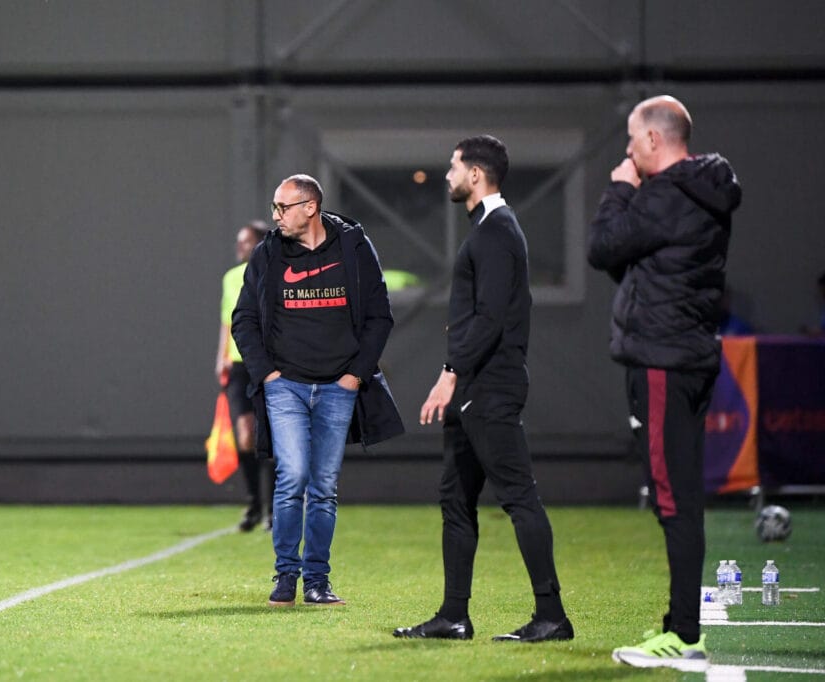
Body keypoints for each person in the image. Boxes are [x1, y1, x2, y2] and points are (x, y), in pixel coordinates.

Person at [393, 136, 573, 643]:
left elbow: (490, 318)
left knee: (519, 497)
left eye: (454, 167)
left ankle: (552, 616)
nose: (447, 175)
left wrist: (449, 373)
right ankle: (454, 616)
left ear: (475, 174)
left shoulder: (497, 230)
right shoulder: (488, 229)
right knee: (455, 499)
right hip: (475, 388)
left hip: (488, 388)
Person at [587, 95, 741, 671]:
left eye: (632, 140)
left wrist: (619, 189)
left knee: (674, 500)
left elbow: (602, 247)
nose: (628, 152)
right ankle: (681, 625)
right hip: (689, 356)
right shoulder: (704, 191)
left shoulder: (665, 192)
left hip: (662, 359)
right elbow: (630, 261)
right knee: (682, 496)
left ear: (653, 139)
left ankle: (683, 634)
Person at [231, 173, 403, 607]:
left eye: (282, 207)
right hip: (284, 386)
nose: (276, 216)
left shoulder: (354, 248)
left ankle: (317, 581)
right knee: (292, 477)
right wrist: (267, 374)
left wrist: (355, 376)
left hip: (338, 387)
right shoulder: (268, 252)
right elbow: (243, 318)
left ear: (310, 207)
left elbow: (379, 316)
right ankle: (286, 575)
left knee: (324, 486)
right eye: (274, 207)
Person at [216, 220, 274, 532]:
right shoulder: (230, 278)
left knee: (272, 436)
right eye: (239, 241)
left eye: (246, 241)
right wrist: (221, 356)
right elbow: (227, 320)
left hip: (267, 363)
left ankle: (275, 508)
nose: (240, 246)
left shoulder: (273, 273)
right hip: (239, 365)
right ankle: (254, 503)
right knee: (246, 435)